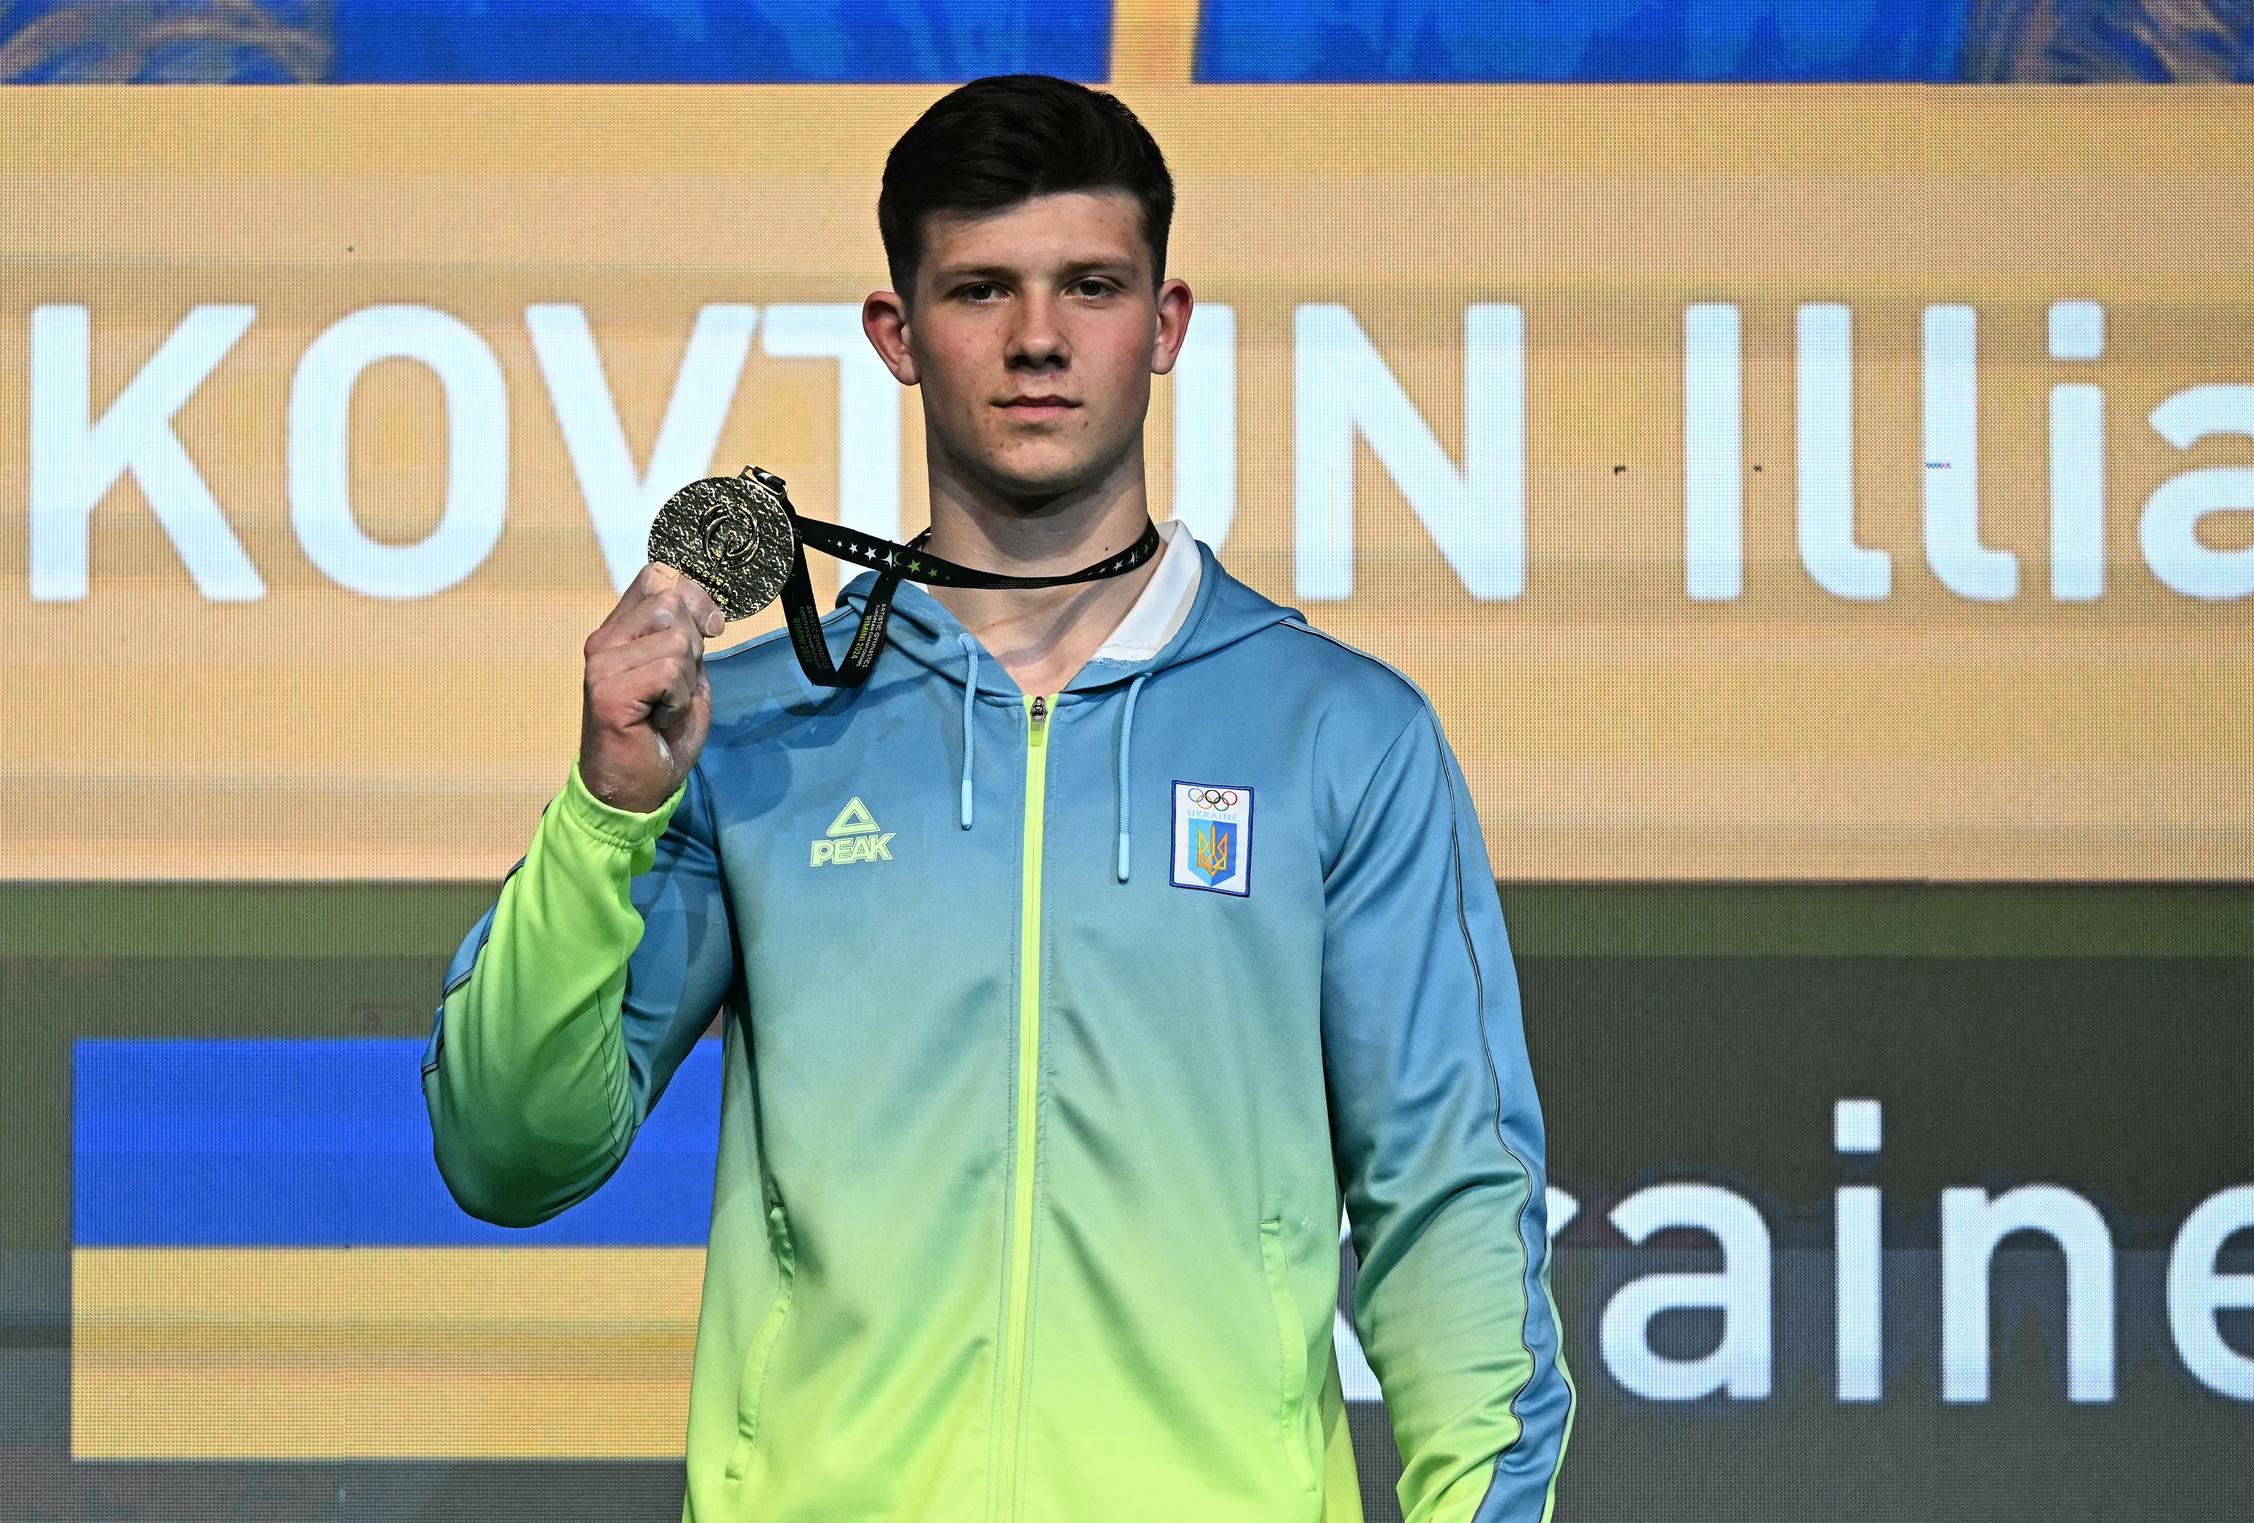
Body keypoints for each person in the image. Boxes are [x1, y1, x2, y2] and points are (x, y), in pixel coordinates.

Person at [420, 72, 1573, 1522]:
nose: (1037, 339)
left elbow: (1451, 1200)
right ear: (897, 337)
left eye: (1089, 285)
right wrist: (607, 809)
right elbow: (507, 1153)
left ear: (1165, 327)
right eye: (981, 290)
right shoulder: (751, 730)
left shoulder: (1341, 733)